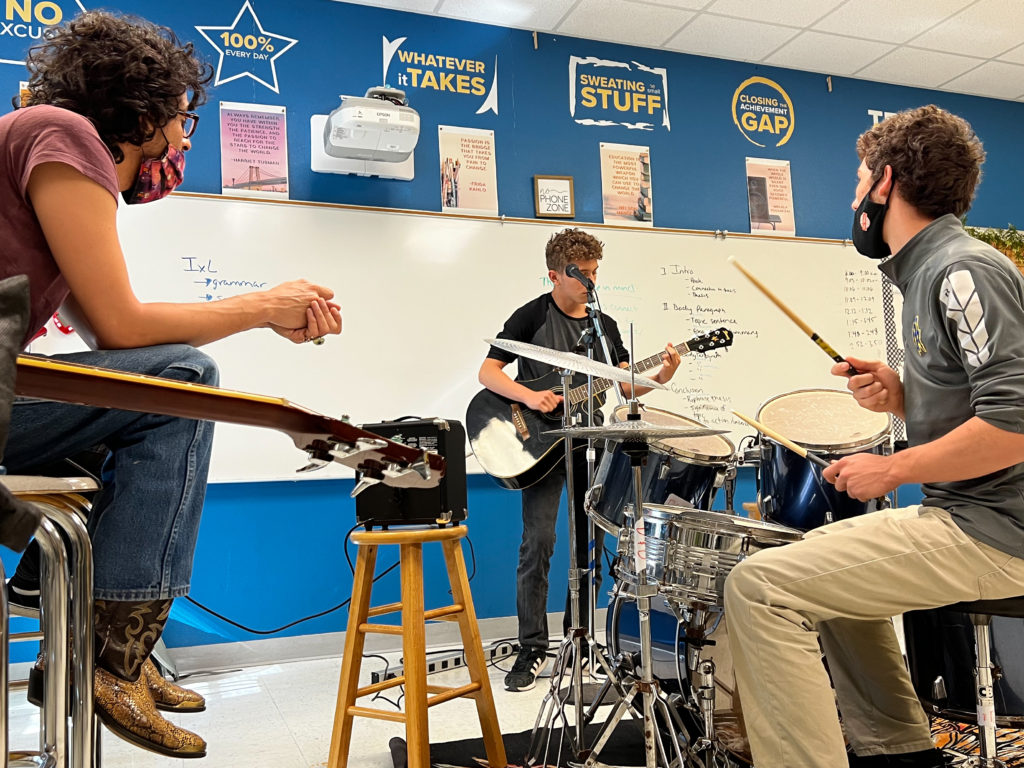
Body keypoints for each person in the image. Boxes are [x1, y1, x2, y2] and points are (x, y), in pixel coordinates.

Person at [0, 10, 342, 759]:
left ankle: (68, 619)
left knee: (143, 387)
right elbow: (124, 328)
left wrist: (263, 315)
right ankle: (110, 660)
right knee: (183, 382)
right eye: (184, 118)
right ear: (140, 107)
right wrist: (260, 305)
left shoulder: (41, 138)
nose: (187, 139)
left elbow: (109, 336)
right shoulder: (64, 133)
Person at [724, 104, 1024, 768]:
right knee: (823, 558)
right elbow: (979, 402)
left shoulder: (962, 272)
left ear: (885, 183)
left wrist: (893, 469)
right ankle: (899, 752)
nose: (854, 197)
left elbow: (1015, 426)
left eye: (860, 181)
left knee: (758, 587)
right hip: (968, 516)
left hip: (998, 530)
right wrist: (904, 395)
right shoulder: (928, 273)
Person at [478, 227, 680, 691]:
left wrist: (663, 374)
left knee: (588, 546)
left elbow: (625, 385)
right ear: (555, 275)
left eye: (594, 273)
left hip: (589, 447)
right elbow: (488, 372)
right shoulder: (531, 316)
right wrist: (530, 394)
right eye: (582, 275)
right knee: (539, 543)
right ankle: (531, 647)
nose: (591, 282)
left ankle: (580, 639)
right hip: (539, 447)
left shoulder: (604, 327)